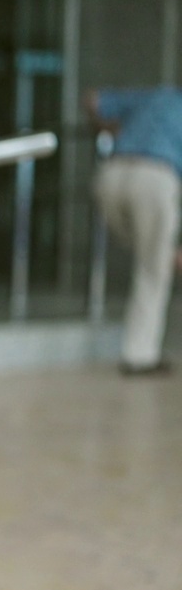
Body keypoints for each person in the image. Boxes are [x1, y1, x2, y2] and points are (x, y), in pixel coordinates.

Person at [86, 86, 182, 375]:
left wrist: (111, 130)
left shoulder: (156, 96)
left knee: (151, 255)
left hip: (111, 176)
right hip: (155, 179)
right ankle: (139, 356)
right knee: (154, 268)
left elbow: (92, 100)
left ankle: (166, 252)